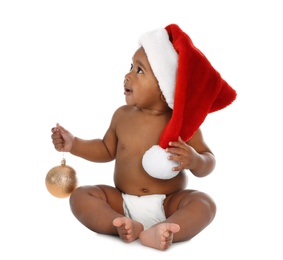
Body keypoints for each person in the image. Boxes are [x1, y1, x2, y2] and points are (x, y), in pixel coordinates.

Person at [51, 24, 236, 251]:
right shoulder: (122, 116)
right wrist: (74, 144)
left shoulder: (183, 124)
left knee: (204, 203)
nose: (128, 75)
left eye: (139, 70)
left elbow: (209, 160)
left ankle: (167, 228)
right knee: (81, 195)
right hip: (121, 201)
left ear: (165, 87)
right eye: (131, 66)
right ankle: (121, 224)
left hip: (169, 203)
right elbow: (106, 150)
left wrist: (196, 160)